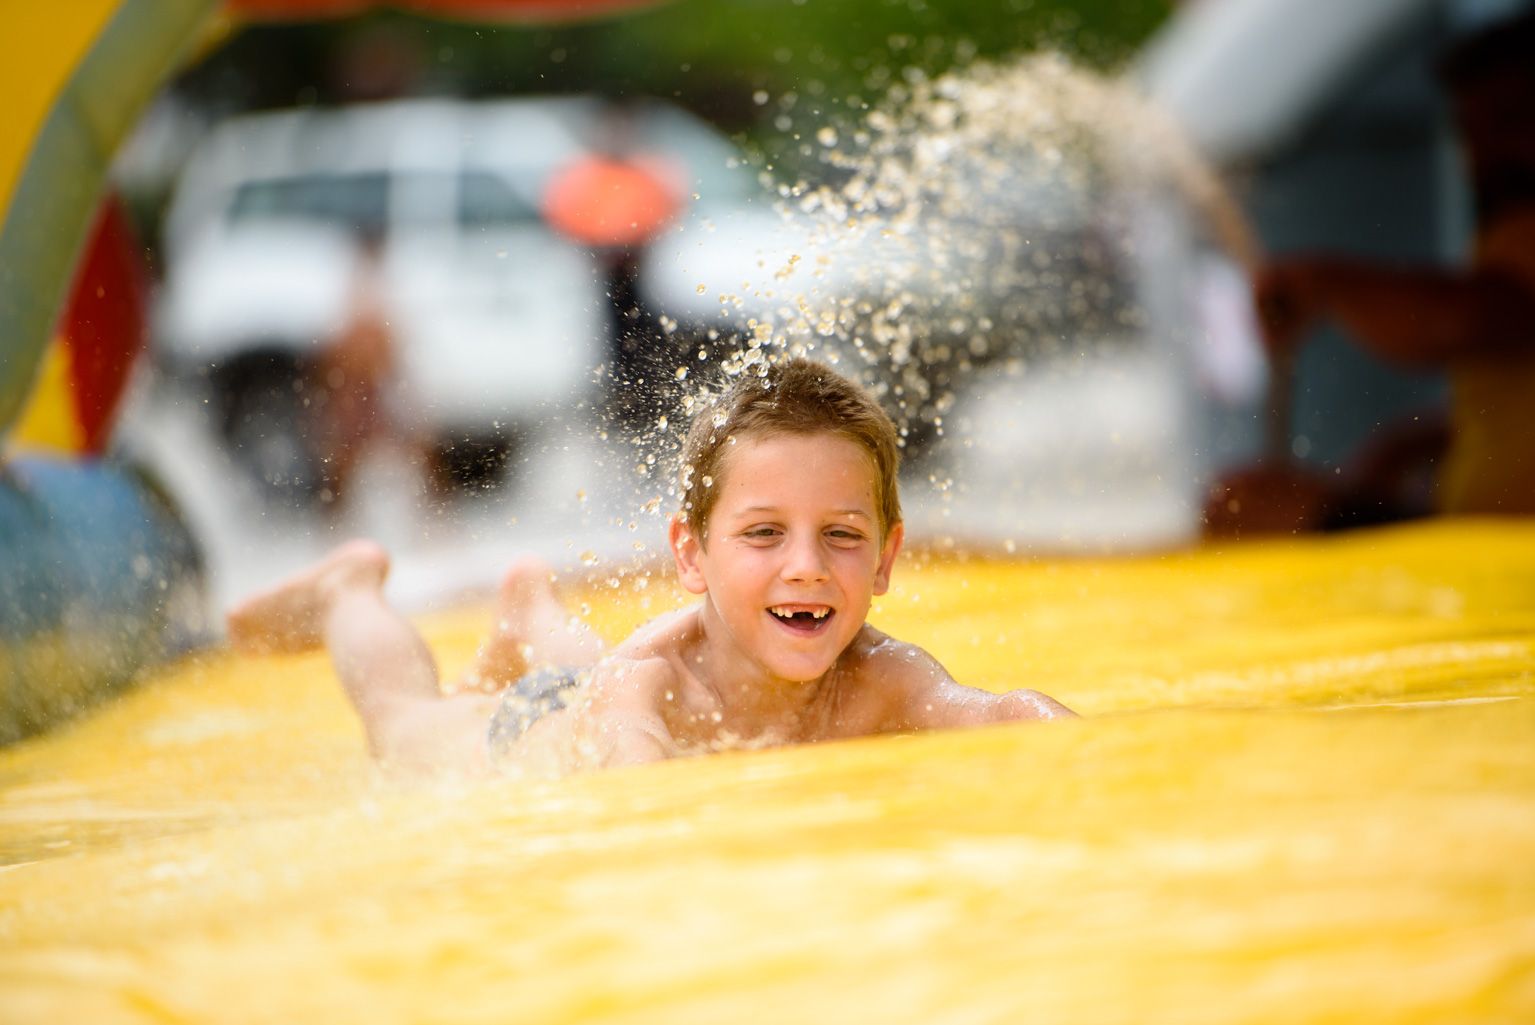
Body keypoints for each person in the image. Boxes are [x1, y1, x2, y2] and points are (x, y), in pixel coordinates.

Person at [226, 357, 1076, 778]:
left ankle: (529, 611)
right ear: (690, 554)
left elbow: (1001, 712)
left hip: (599, 681)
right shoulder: (641, 693)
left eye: (842, 535)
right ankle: (347, 590)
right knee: (399, 724)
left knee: (589, 670)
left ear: (886, 557)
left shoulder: (887, 680)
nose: (806, 567)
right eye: (763, 533)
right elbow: (646, 801)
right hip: (532, 730)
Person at [1204, 9, 1535, 535]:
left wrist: (1327, 283)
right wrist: (1419, 442)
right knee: (1250, 505)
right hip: (1483, 542)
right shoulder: (1508, 233)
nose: (1485, 153)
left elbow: (1468, 320)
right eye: (1471, 131)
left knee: (1258, 509)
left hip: (1505, 556)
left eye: (1512, 121)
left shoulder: (1521, 234)